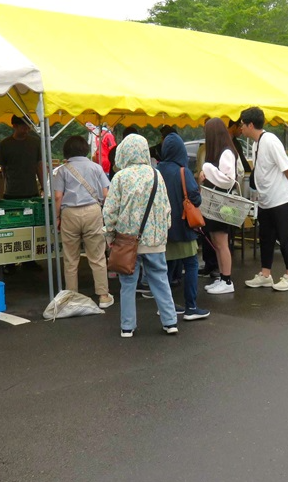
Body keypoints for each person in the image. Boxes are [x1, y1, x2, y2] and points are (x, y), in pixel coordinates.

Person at [102, 134, 179, 337]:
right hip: (154, 240)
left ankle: (128, 327)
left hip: (127, 241)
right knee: (160, 280)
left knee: (127, 283)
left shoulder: (120, 177)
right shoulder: (156, 175)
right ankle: (170, 322)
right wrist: (163, 232)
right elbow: (166, 208)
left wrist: (110, 236)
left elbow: (110, 211)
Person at [239, 107, 288, 292]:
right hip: (266, 200)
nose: (240, 127)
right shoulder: (256, 144)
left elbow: (287, 167)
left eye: (242, 124)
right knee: (265, 237)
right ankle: (265, 275)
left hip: (281, 198)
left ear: (251, 124)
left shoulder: (271, 141)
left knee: (285, 237)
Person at [53, 135, 113, 308]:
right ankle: (103, 296)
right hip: (93, 211)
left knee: (71, 258)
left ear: (67, 151)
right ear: (85, 149)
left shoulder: (62, 170)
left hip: (70, 213)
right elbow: (106, 194)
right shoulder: (96, 168)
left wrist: (57, 217)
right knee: (97, 256)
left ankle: (72, 297)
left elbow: (58, 196)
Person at [157, 133, 210, 320]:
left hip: (163, 227)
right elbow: (195, 198)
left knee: (167, 266)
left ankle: (166, 305)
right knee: (191, 263)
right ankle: (191, 307)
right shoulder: (182, 171)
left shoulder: (157, 169)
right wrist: (198, 184)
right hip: (182, 226)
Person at [199, 117, 239, 294]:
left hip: (222, 204)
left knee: (222, 243)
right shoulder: (222, 151)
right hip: (217, 204)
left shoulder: (226, 152)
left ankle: (227, 280)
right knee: (217, 242)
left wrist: (207, 169)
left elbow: (227, 180)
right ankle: (222, 277)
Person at [0, 115, 43, 200]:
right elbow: (2, 170)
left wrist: (43, 187)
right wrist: (0, 193)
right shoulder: (4, 144)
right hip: (11, 192)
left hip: (32, 191)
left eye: (28, 127)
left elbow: (39, 166)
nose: (27, 130)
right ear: (15, 126)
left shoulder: (35, 143)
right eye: (24, 127)